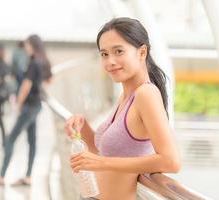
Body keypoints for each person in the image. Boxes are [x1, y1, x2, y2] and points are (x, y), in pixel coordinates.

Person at [64, 17, 181, 200]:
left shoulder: (146, 94)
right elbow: (106, 153)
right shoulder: (126, 96)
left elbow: (171, 161)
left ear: (142, 52)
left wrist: (101, 162)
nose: (110, 61)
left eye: (118, 51)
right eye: (104, 54)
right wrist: (83, 126)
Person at [0, 34, 52, 186]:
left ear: (31, 45)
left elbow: (26, 84)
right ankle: (28, 177)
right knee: (32, 140)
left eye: (26, 45)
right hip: (36, 105)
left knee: (10, 139)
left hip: (29, 106)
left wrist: (18, 104)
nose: (25, 47)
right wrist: (39, 86)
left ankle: (2, 175)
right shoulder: (42, 61)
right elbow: (49, 80)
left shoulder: (33, 63)